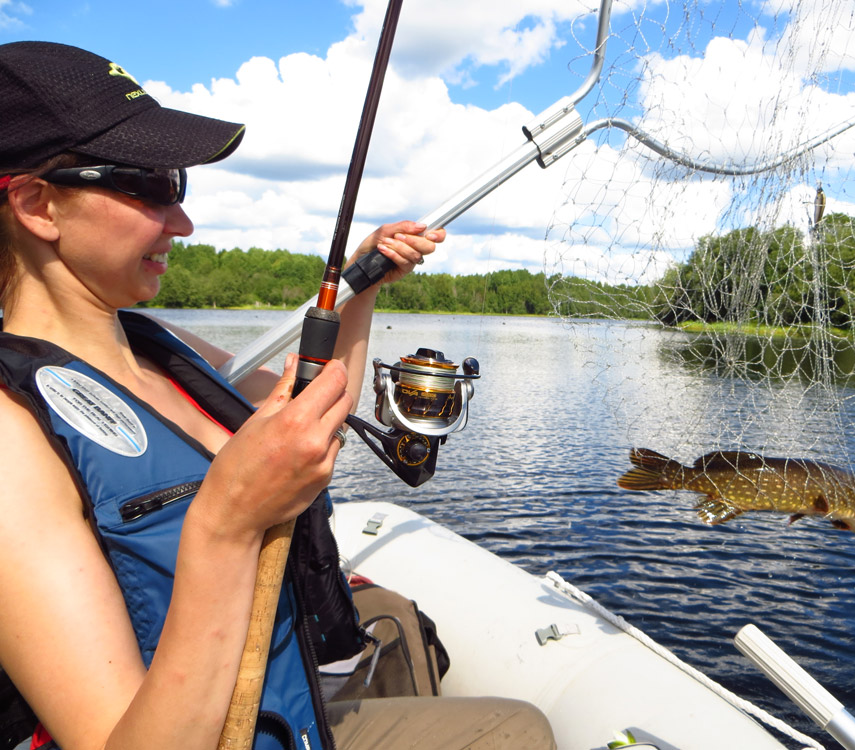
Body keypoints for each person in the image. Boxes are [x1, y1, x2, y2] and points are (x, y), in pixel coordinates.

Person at [0, 41, 555, 750]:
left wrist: (360, 284)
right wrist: (227, 525)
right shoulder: (11, 433)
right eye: (149, 184)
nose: (182, 221)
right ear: (36, 204)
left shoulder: (160, 347)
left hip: (294, 718)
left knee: (516, 729)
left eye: (180, 183)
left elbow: (317, 405)